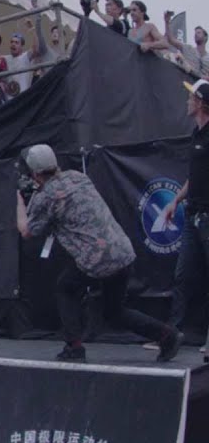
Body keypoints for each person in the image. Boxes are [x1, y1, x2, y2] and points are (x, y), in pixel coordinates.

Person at [16, 145, 182, 362]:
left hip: (96, 259)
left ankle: (74, 347)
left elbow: (27, 230)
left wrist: (20, 202)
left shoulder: (45, 197)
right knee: (113, 311)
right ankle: (166, 335)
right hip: (122, 251)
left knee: (65, 288)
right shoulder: (77, 177)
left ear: (35, 174)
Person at [162, 80, 209, 358]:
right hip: (192, 217)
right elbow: (195, 178)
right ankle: (169, 336)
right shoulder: (196, 134)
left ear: (202, 103)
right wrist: (174, 201)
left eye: (192, 97)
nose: (187, 100)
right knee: (182, 277)